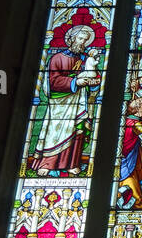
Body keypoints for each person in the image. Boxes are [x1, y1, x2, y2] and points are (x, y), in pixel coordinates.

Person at [28, 25, 101, 176]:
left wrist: (93, 82)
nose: (82, 43)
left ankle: (71, 163)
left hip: (79, 101)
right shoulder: (57, 58)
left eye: (85, 40)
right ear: (72, 38)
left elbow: (95, 76)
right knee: (55, 133)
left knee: (77, 131)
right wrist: (75, 82)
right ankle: (47, 163)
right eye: (80, 39)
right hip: (59, 104)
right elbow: (53, 81)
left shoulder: (85, 59)